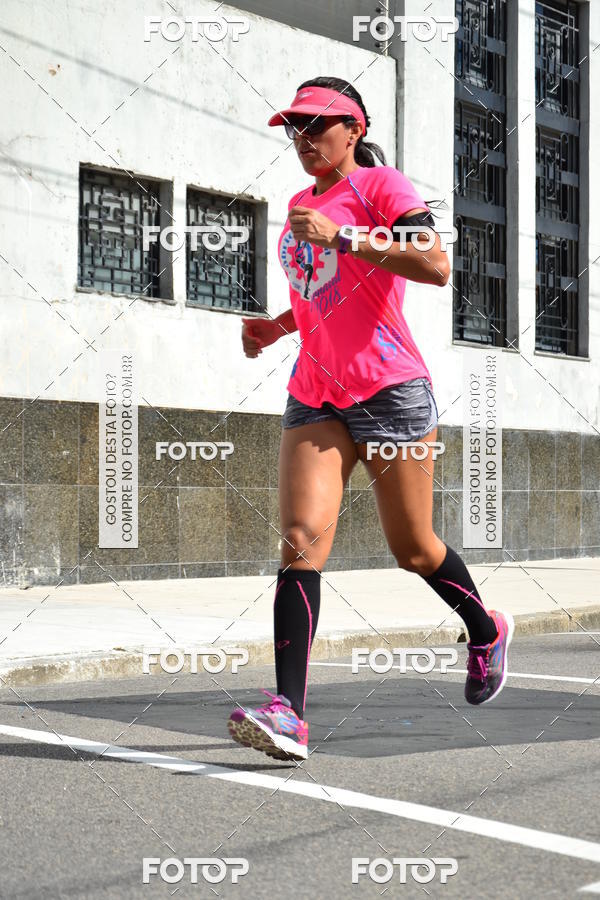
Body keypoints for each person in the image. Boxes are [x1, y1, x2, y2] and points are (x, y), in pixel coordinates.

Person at [227, 76, 513, 762]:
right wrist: (278, 326)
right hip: (316, 393)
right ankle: (288, 714)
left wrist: (346, 235)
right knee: (300, 539)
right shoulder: (299, 203)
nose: (302, 139)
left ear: (353, 129)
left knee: (413, 548)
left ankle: (484, 629)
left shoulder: (383, 188)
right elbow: (328, 296)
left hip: (390, 391)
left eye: (316, 126)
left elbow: (435, 265)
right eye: (293, 127)